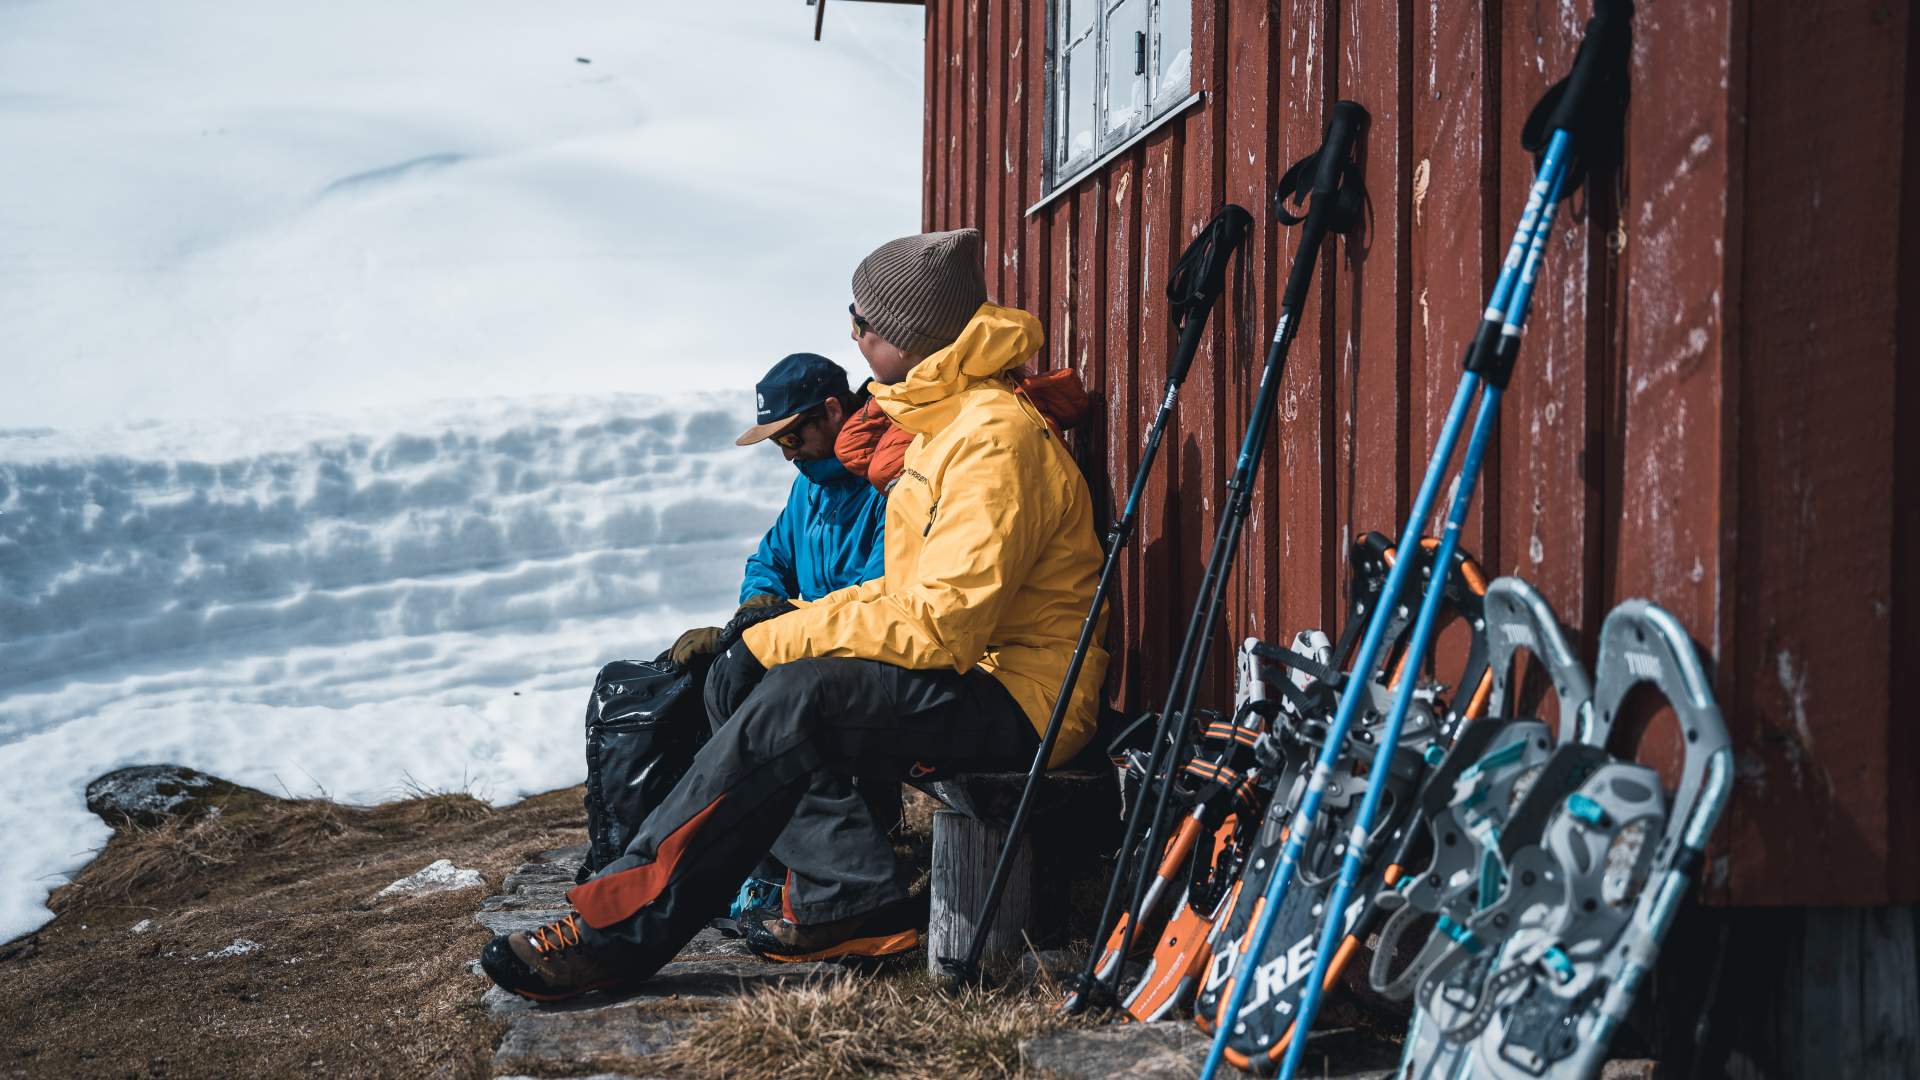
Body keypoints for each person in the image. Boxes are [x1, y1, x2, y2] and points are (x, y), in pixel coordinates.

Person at [480, 228, 1109, 1000]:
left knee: (801, 696)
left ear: (908, 338)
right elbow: (906, 594)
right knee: (741, 681)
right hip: (982, 674)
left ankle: (617, 926)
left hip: (1027, 698)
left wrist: (784, 639)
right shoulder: (947, 428)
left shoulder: (991, 440)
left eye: (864, 321)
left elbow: (942, 625)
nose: (852, 332)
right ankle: (846, 898)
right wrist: (768, 633)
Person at [665, 352, 887, 668]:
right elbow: (771, 560)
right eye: (777, 442)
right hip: (806, 650)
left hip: (864, 658)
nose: (786, 454)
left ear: (832, 410)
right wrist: (756, 609)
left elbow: (877, 599)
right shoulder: (809, 484)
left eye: (790, 437)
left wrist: (776, 624)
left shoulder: (886, 480)